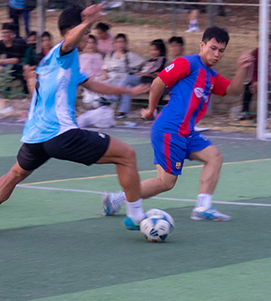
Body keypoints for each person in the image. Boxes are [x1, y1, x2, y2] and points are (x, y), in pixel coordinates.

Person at [0, 3, 149, 236]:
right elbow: (69, 42)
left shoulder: (55, 61)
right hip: (61, 134)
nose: (88, 37)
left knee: (14, 174)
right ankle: (136, 216)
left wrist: (127, 91)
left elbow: (92, 84)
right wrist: (88, 20)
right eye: (85, 32)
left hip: (36, 136)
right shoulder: (65, 52)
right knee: (127, 155)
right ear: (71, 31)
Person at [102, 27, 253, 222]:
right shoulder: (187, 63)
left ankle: (203, 207)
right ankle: (116, 199)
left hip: (186, 132)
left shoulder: (211, 75)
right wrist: (150, 110)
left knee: (214, 157)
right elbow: (158, 83)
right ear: (202, 45)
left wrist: (242, 68)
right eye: (213, 48)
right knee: (166, 182)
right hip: (169, 129)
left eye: (221, 51)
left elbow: (234, 90)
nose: (216, 54)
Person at [102, 33, 145, 119]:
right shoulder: (110, 55)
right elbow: (104, 69)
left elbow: (144, 63)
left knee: (126, 87)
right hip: (111, 79)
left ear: (126, 43)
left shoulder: (130, 55)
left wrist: (140, 72)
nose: (120, 44)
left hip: (123, 79)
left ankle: (121, 111)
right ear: (114, 43)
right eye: (118, 42)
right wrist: (104, 75)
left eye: (122, 42)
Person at [0, 23, 28, 95]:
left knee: (7, 68)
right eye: (3, 32)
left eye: (7, 32)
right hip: (7, 65)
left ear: (12, 33)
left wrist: (0, 61)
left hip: (19, 66)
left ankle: (6, 91)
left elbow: (16, 60)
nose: (5, 34)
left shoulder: (18, 43)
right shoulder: (1, 43)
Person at [79, 34, 106, 106]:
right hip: (85, 81)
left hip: (97, 80)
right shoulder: (81, 57)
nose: (90, 45)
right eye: (88, 42)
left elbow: (103, 69)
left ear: (96, 44)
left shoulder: (99, 56)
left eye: (92, 43)